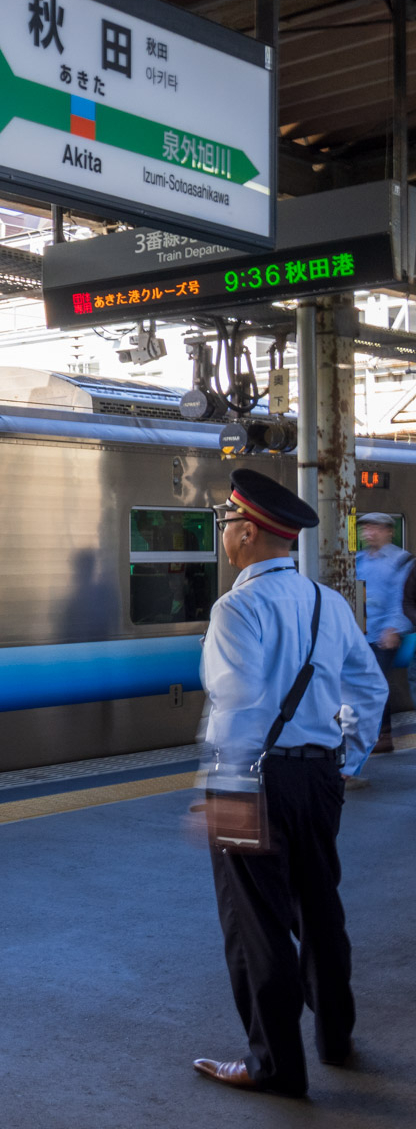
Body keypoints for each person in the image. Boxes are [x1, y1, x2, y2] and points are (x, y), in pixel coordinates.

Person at [194, 469, 383, 1098]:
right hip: (319, 778)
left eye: (226, 526)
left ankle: (274, 1066)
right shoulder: (328, 603)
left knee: (257, 923)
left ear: (246, 533)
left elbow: (239, 707)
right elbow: (368, 688)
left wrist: (224, 791)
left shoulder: (236, 608)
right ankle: (336, 1036)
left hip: (255, 780)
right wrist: (346, 760)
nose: (225, 537)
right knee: (320, 907)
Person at [354, 510, 410, 759]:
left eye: (376, 527)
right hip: (361, 633)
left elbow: (403, 597)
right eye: (366, 528)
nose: (370, 532)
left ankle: (384, 735)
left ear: (389, 531)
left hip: (386, 633)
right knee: (361, 683)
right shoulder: (358, 559)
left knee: (378, 683)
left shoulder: (402, 560)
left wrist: (393, 628)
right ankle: (365, 733)